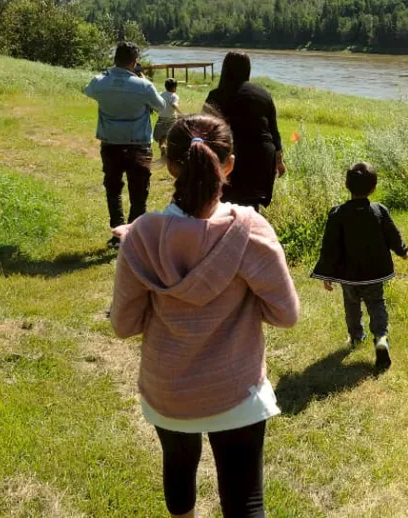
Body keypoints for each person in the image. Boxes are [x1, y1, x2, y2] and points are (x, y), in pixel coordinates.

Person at [110, 114, 300, 518]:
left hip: (168, 391)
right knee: (245, 497)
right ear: (229, 164)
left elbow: (123, 325)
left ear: (170, 164)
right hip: (237, 390)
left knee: (178, 470)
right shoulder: (250, 230)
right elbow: (286, 313)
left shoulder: (141, 235)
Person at [311, 162, 408, 370]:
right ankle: (381, 338)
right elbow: (393, 235)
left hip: (349, 276)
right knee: (376, 304)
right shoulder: (379, 210)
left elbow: (330, 246)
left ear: (347, 185)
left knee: (351, 305)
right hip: (374, 273)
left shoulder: (337, 214)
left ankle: (356, 337)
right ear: (373, 188)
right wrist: (402, 250)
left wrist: (326, 273)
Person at [84, 42, 166, 247]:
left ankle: (117, 232)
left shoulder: (99, 82)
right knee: (139, 192)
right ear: (134, 62)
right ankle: (134, 235)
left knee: (113, 188)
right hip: (138, 144)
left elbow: (88, 91)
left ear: (115, 60)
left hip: (110, 142)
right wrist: (144, 79)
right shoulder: (143, 86)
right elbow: (162, 107)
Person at [204, 52, 285, 211]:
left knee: (226, 206)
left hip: (232, 157)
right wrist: (279, 161)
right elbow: (273, 132)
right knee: (251, 206)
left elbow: (206, 130)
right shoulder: (263, 94)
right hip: (261, 158)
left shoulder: (217, 95)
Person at [154, 78, 181, 157]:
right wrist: (181, 113)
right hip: (171, 119)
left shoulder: (161, 94)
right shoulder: (174, 96)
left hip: (161, 118)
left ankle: (163, 147)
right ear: (174, 87)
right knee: (170, 136)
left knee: (161, 137)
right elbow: (174, 105)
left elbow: (156, 105)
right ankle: (170, 151)